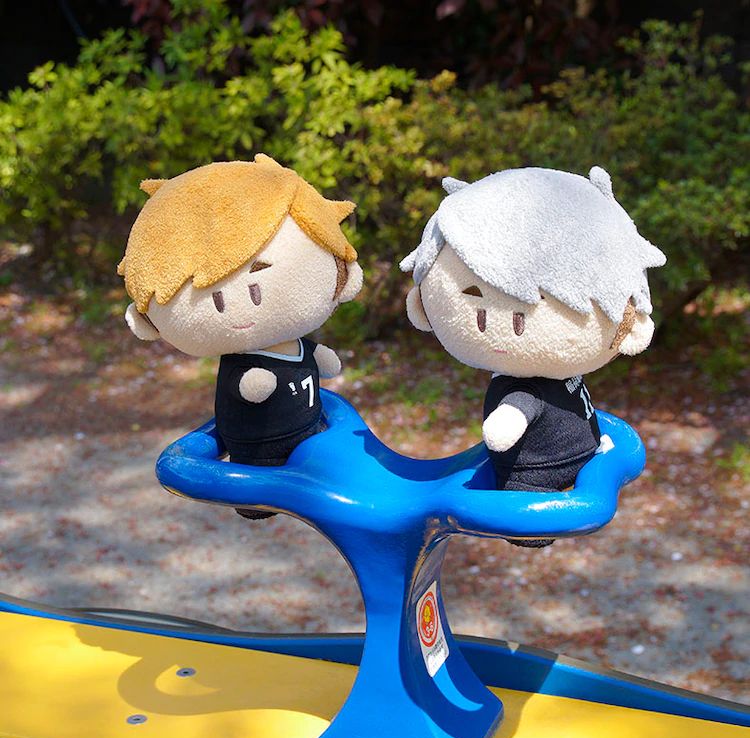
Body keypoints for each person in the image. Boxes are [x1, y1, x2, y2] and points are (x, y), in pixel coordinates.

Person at [400, 166, 665, 544]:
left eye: (520, 318)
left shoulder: (551, 378)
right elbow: (506, 424)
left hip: (577, 457)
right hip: (535, 477)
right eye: (480, 311)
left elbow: (520, 419)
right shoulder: (526, 390)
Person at [119, 155, 363, 517]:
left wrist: (319, 356)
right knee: (259, 495)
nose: (246, 299)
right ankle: (257, 505)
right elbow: (245, 384)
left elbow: (308, 354)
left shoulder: (294, 341)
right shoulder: (243, 359)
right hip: (257, 446)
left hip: (312, 431)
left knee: (324, 476)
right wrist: (252, 383)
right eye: (216, 298)